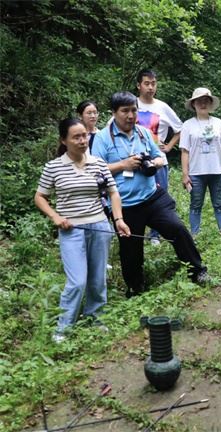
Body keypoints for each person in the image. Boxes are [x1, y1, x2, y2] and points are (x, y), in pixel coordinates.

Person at [92, 91, 208, 297]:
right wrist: (123, 165)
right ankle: (135, 288)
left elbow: (160, 155)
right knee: (130, 250)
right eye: (125, 111)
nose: (130, 115)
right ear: (114, 113)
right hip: (124, 205)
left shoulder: (143, 133)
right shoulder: (102, 138)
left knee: (177, 229)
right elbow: (95, 171)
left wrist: (155, 162)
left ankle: (198, 271)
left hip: (151, 197)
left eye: (134, 110)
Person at [35, 118, 131, 342]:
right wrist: (55, 217)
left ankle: (95, 318)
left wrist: (118, 220)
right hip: (71, 229)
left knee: (98, 279)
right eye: (76, 137)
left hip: (99, 226)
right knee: (77, 281)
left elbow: (113, 192)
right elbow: (40, 197)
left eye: (84, 135)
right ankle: (63, 328)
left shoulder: (98, 163)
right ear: (63, 140)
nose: (82, 140)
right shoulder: (54, 167)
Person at [136, 69, 183, 245]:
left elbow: (180, 128)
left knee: (159, 194)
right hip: (135, 160)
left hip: (158, 159)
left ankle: (155, 234)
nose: (150, 87)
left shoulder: (162, 107)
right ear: (138, 85)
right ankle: (137, 230)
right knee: (137, 194)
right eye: (146, 83)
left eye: (153, 83)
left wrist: (169, 146)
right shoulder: (132, 104)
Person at [181, 88, 221, 239]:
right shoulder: (188, 125)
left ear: (210, 104)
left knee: (219, 203)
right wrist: (185, 174)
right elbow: (185, 151)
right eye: (199, 101)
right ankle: (195, 233)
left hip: (217, 170)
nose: (203, 104)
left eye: (206, 101)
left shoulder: (218, 123)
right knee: (196, 204)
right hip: (196, 172)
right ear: (193, 104)